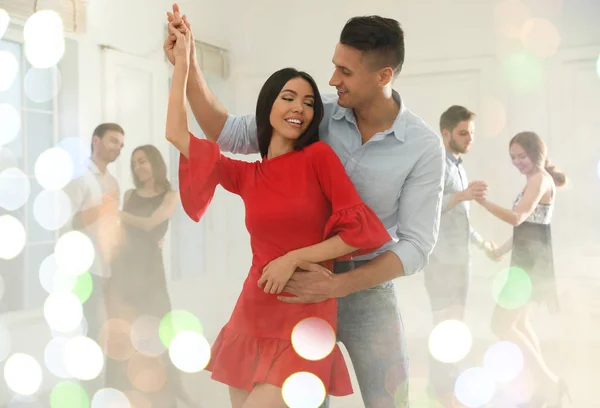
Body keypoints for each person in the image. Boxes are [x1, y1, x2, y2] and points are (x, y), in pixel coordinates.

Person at [165, 4, 445, 406]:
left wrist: (337, 284)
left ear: (383, 76)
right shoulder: (314, 116)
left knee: (390, 400)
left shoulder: (422, 147)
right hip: (292, 293)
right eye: (335, 66)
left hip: (368, 289)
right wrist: (187, 61)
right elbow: (223, 132)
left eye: (346, 72)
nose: (333, 80)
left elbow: (417, 246)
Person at [476, 131, 569, 407]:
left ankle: (551, 383)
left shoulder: (539, 180)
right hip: (528, 259)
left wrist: (483, 203)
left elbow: (518, 218)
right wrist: (501, 251)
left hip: (531, 264)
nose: (517, 162)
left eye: (522, 156)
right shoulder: (535, 180)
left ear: (536, 154)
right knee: (518, 323)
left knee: (500, 324)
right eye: (513, 157)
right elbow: (529, 228)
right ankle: (544, 387)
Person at [105, 145, 198, 407]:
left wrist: (117, 213)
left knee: (162, 330)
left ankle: (176, 388)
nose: (138, 167)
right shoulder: (130, 194)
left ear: (155, 163)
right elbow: (123, 233)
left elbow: (150, 223)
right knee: (125, 332)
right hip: (125, 269)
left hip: (150, 271)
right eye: (134, 163)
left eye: (143, 161)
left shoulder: (171, 195)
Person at [425, 106, 496, 405]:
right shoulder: (434, 165)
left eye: (472, 133)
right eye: (463, 133)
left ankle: (451, 387)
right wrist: (462, 195)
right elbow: (428, 208)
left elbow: (460, 220)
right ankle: (442, 392)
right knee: (444, 328)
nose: (469, 139)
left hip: (461, 260)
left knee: (457, 327)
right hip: (440, 260)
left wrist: (482, 244)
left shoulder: (458, 166)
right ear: (446, 133)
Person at [62, 123, 125, 398]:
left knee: (109, 332)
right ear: (96, 141)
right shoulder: (78, 177)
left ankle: (105, 391)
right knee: (89, 333)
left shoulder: (113, 182)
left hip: (109, 268)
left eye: (121, 145)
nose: (118, 148)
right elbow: (70, 222)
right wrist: (103, 207)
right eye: (113, 141)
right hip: (84, 270)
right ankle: (87, 395)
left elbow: (113, 226)